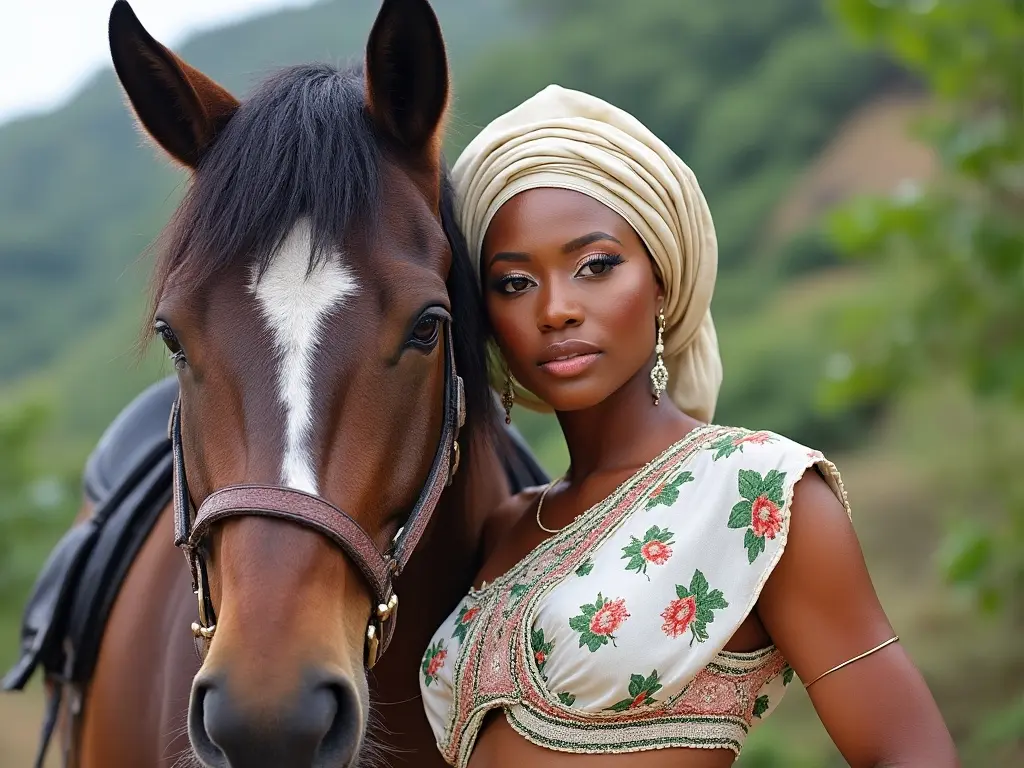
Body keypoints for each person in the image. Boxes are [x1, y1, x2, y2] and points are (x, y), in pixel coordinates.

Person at [417, 84, 958, 767]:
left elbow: (910, 753)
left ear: (662, 280)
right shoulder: (505, 527)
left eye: (595, 266)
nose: (555, 310)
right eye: (515, 283)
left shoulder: (758, 492)